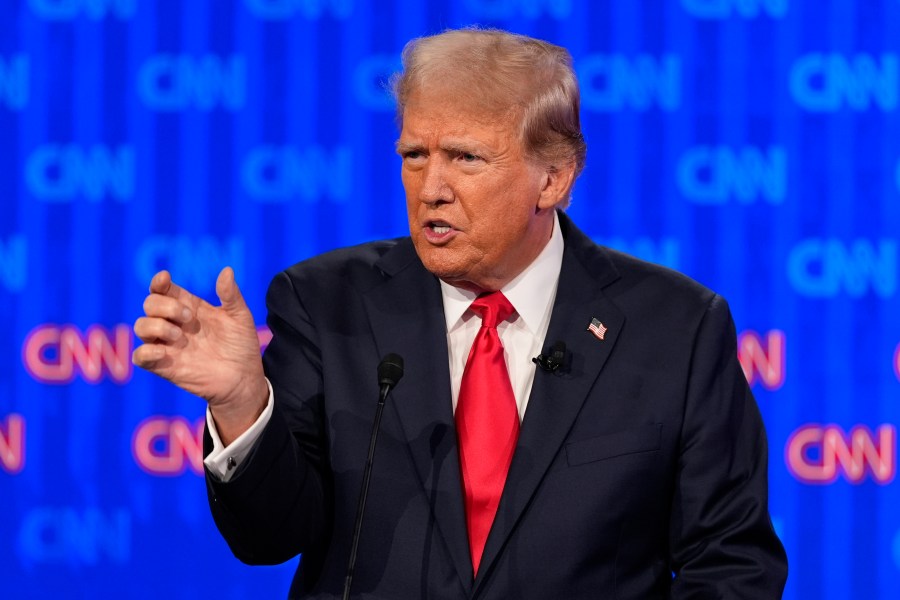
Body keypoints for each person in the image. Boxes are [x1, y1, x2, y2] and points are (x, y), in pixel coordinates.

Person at [133, 28, 787, 599]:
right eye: (415, 156)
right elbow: (269, 537)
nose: (432, 188)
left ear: (553, 179)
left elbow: (731, 562)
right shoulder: (327, 305)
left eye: (466, 157)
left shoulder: (675, 327)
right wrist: (245, 405)